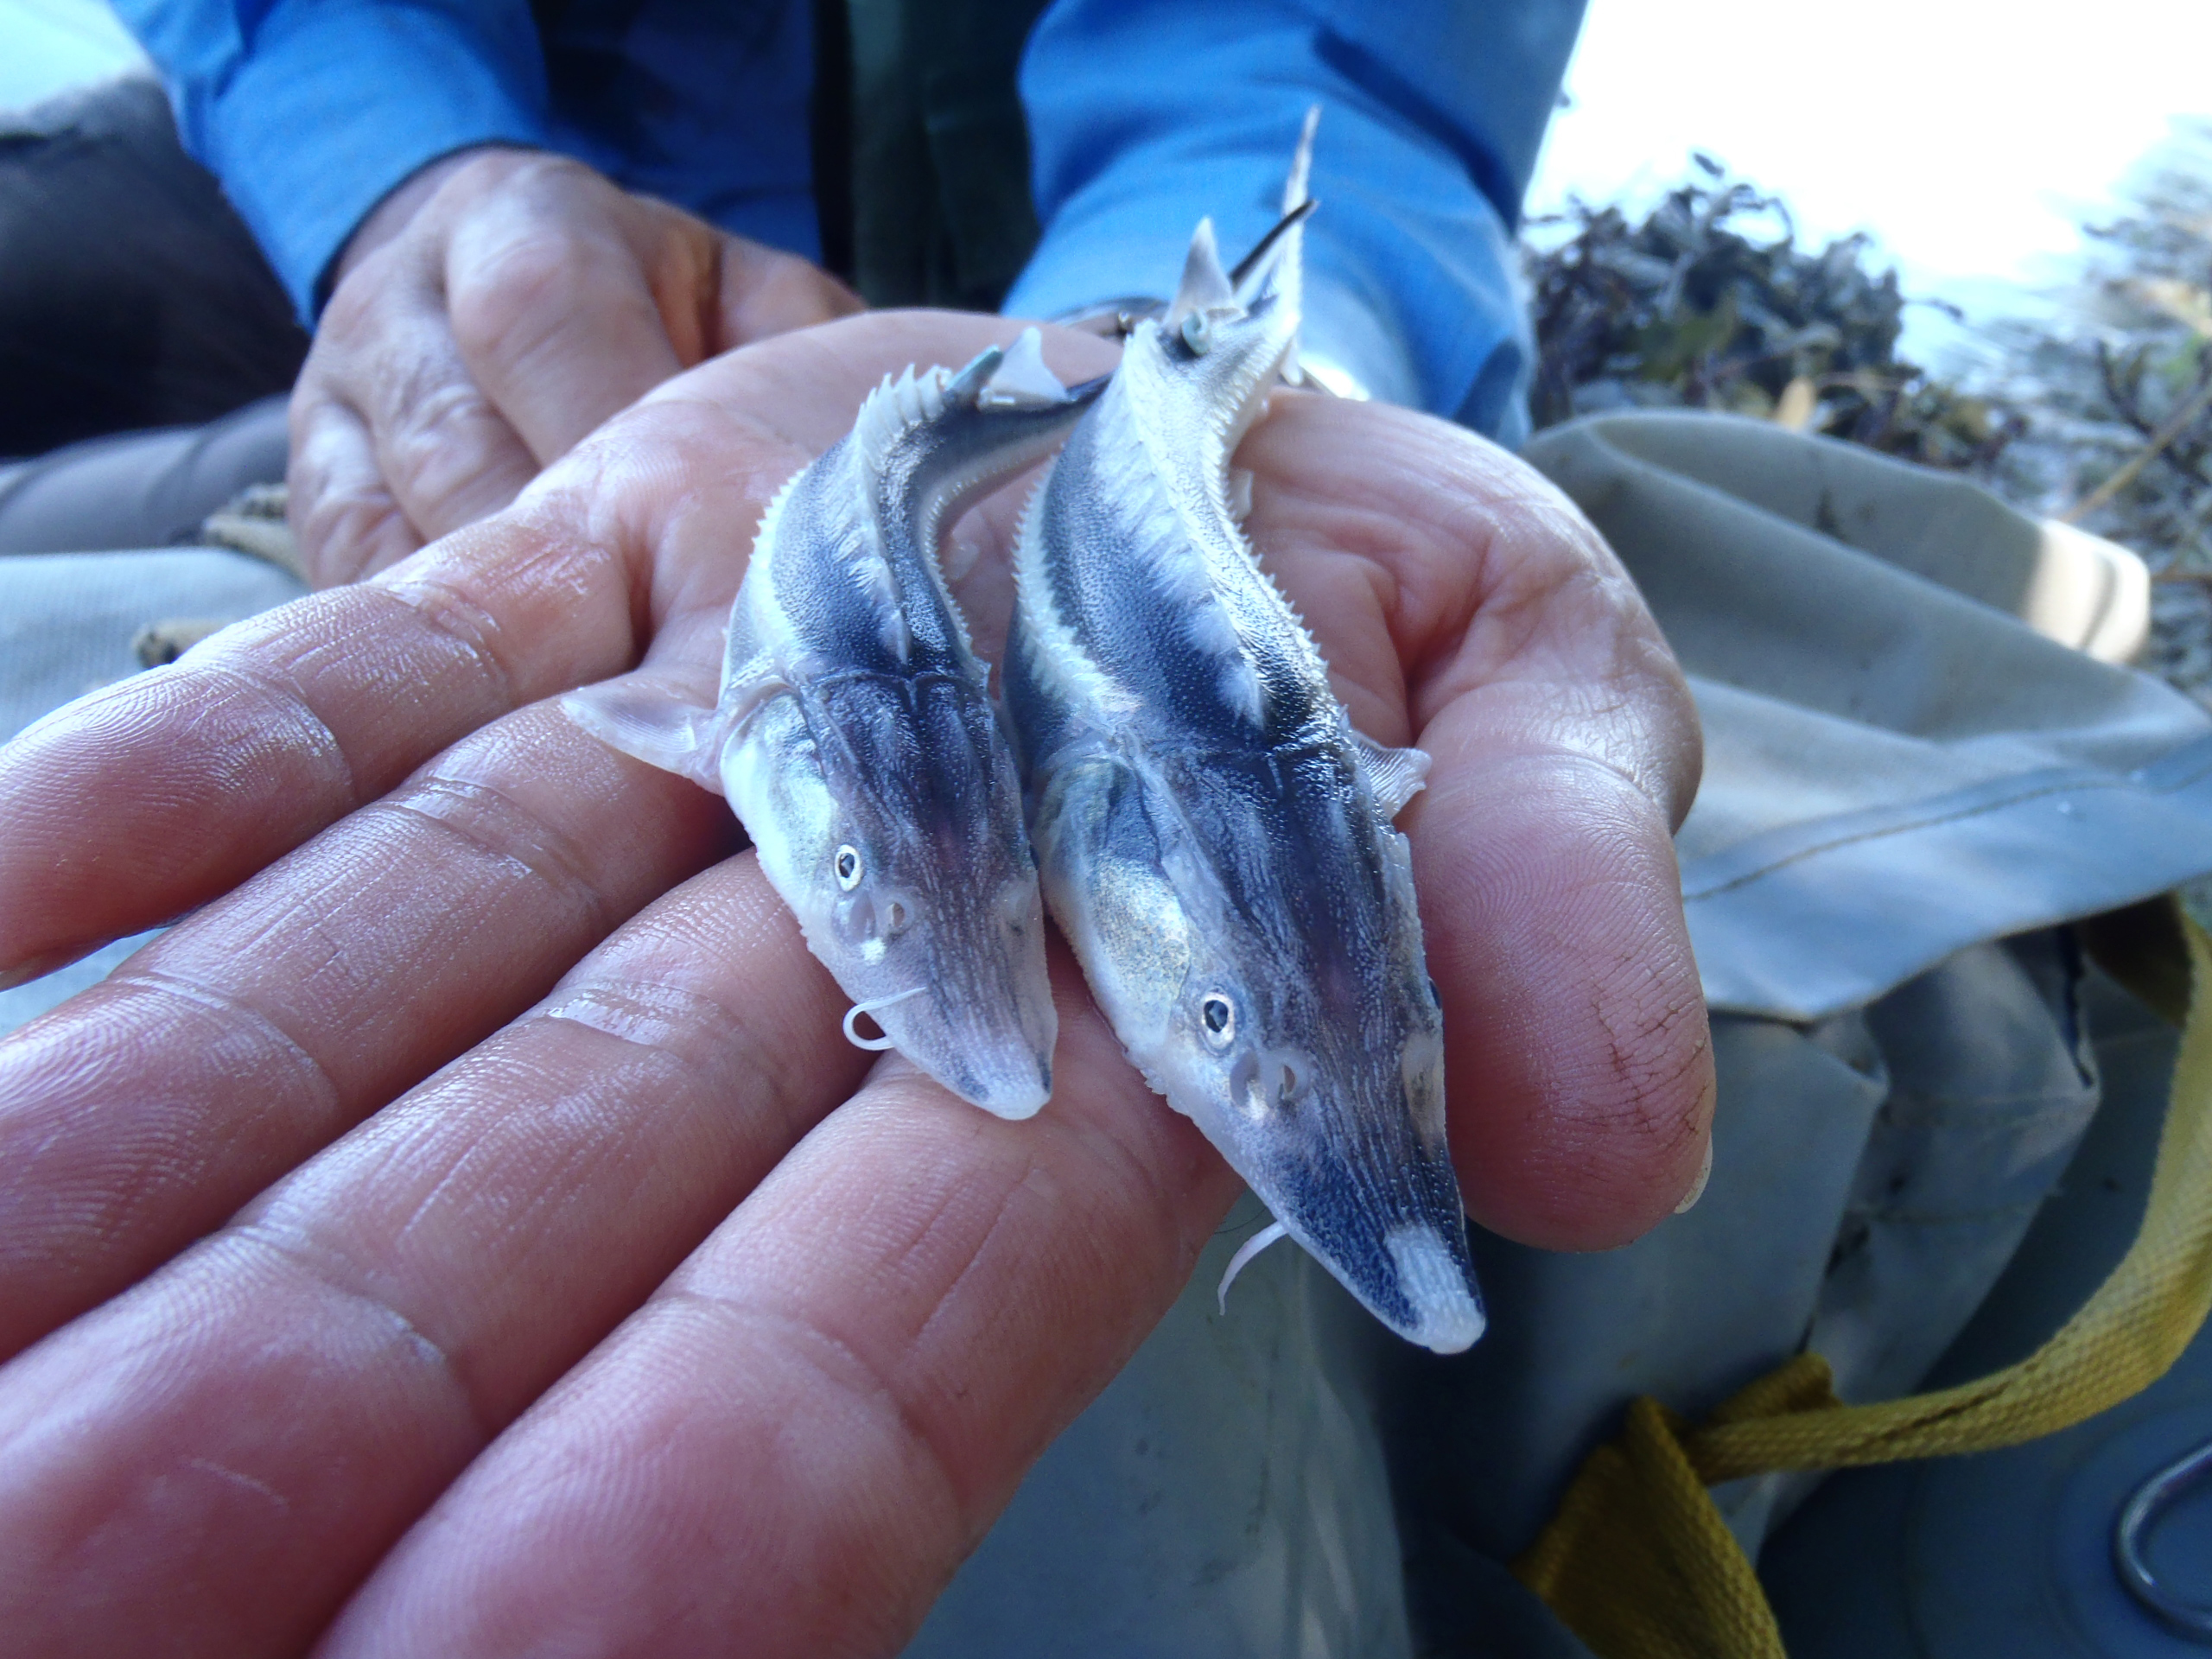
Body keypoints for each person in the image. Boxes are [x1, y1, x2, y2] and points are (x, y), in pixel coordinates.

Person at [0, 4, 1715, 1654]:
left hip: (1099, 250)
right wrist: (406, 175)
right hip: (464, 207)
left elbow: (1331, 38)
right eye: (1211, 1022)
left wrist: (1202, 336)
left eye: (1224, 1028)